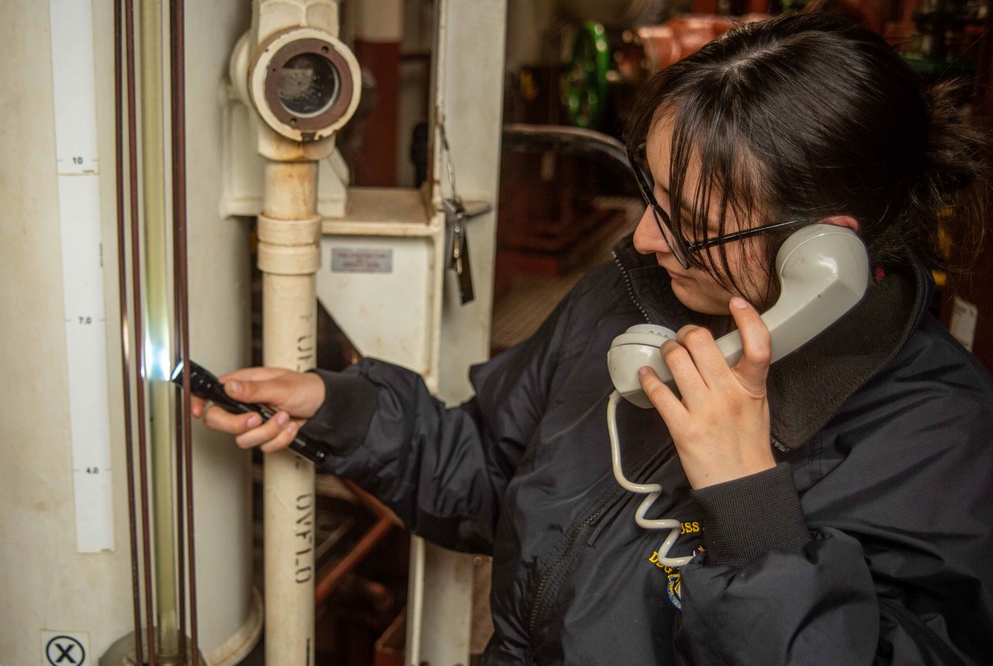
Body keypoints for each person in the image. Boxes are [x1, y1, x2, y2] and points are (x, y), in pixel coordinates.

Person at [193, 12, 993, 664]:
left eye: (691, 224)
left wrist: (748, 507)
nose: (644, 238)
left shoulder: (937, 435)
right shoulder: (628, 300)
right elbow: (487, 473)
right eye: (652, 194)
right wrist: (336, 408)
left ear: (824, 253)